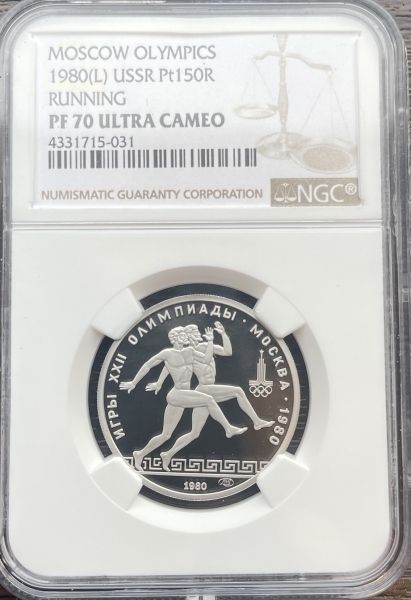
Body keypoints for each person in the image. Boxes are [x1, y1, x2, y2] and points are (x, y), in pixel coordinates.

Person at [150, 322, 274, 470]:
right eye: (195, 333)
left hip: (207, 389)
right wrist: (159, 383)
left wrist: (223, 334)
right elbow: (169, 366)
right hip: (204, 388)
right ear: (188, 336)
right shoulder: (189, 352)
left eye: (197, 332)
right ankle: (252, 423)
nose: (198, 334)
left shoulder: (205, 347)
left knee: (194, 433)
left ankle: (168, 454)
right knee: (237, 391)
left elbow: (227, 352)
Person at [119, 326, 247, 471]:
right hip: (176, 393)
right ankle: (228, 428)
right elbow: (148, 365)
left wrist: (211, 341)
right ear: (175, 338)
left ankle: (142, 454)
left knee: (166, 435)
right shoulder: (167, 353)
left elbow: (206, 359)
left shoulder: (190, 351)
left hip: (183, 395)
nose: (185, 336)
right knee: (209, 400)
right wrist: (134, 383)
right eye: (182, 334)